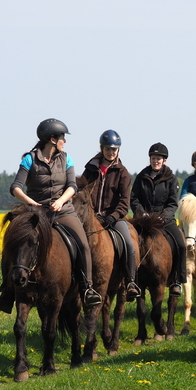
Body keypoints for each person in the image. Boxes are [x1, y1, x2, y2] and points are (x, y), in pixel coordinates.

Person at [0, 118, 101, 313]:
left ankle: (87, 288)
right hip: (36, 212)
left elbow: (72, 186)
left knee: (83, 244)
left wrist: (60, 201)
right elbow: (15, 187)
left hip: (63, 209)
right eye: (62, 137)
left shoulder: (67, 159)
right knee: (12, 244)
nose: (64, 141)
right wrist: (29, 202)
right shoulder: (29, 159)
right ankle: (7, 293)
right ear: (52, 139)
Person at [82, 129, 140, 302]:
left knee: (128, 243)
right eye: (108, 149)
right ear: (102, 148)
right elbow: (83, 193)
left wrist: (113, 216)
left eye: (114, 149)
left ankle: (130, 282)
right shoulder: (90, 169)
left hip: (114, 218)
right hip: (92, 218)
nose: (111, 152)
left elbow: (124, 201)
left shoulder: (122, 173)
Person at [130, 142, 187, 296]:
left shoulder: (171, 179)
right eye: (153, 158)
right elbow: (134, 199)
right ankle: (131, 281)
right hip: (144, 220)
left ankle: (176, 280)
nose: (156, 161)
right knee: (129, 242)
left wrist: (163, 217)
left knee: (181, 244)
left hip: (164, 220)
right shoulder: (141, 177)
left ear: (164, 160)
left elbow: (172, 203)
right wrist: (141, 214)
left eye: (159, 159)